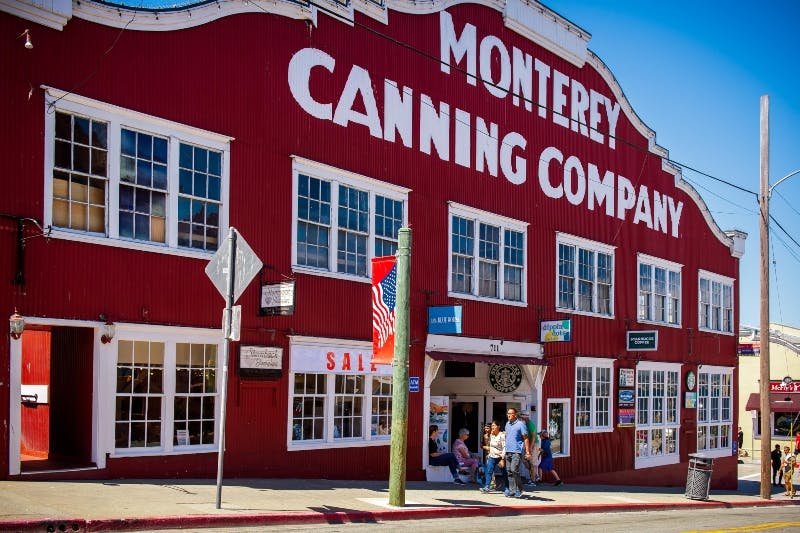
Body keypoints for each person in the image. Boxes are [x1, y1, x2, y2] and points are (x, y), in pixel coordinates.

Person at [501, 407, 531, 498]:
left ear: (515, 414)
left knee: (514, 470)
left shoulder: (521, 424)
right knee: (509, 471)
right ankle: (512, 490)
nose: (508, 415)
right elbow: (507, 436)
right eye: (507, 413)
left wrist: (527, 451)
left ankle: (520, 489)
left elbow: (526, 438)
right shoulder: (507, 424)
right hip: (508, 451)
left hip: (516, 451)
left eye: (510, 413)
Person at [479, 420, 508, 493]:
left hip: (500, 456)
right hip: (492, 456)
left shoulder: (502, 435)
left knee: (504, 473)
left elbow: (504, 447)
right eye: (492, 426)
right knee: (489, 471)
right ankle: (487, 487)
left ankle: (507, 487)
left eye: (494, 425)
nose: (492, 427)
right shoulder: (491, 435)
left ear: (498, 426)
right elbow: (489, 445)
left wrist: (502, 458)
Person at [519, 411, 539, 486]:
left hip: (534, 444)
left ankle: (533, 480)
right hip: (530, 444)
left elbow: (534, 436)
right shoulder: (524, 424)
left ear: (525, 417)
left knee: (533, 462)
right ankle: (535, 475)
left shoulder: (530, 424)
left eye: (521, 417)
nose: (520, 418)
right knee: (525, 460)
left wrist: (530, 447)